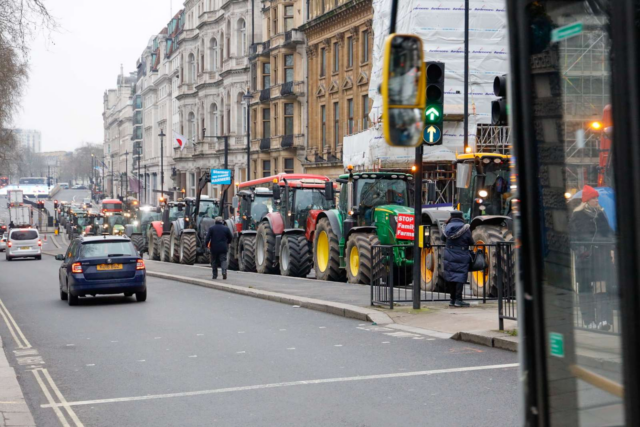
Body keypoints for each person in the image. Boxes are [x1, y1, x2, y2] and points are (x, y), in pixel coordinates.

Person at [570, 185, 615, 331]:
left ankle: (604, 320)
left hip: (600, 257)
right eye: (594, 198)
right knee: (585, 291)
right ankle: (589, 321)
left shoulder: (601, 214)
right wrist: (581, 251)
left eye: (597, 198)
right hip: (586, 259)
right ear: (587, 200)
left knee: (601, 288)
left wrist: (611, 249)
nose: (597, 200)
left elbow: (608, 234)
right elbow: (572, 238)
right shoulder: (577, 216)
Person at [442, 211, 475, 307]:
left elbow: (442, 239)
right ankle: (458, 299)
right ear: (461, 217)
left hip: (449, 254)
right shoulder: (465, 228)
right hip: (462, 254)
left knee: (451, 276)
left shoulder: (446, 227)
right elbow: (471, 242)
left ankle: (452, 300)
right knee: (460, 277)